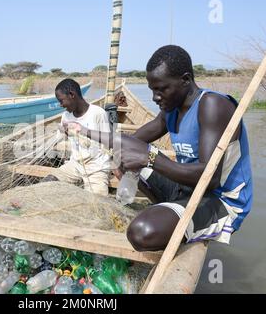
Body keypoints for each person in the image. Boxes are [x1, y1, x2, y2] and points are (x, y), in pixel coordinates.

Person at [66, 45, 253, 251]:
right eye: (152, 90)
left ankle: (169, 219)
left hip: (219, 200)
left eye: (162, 89)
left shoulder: (212, 105)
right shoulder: (171, 109)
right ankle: (168, 212)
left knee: (141, 232)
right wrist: (83, 130)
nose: (155, 97)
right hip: (186, 188)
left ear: (185, 80)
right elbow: (132, 141)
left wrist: (149, 158)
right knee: (127, 156)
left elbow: (210, 178)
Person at [43, 79, 112, 196]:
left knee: (95, 202)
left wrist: (83, 130)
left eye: (61, 101)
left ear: (72, 95)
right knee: (48, 182)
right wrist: (64, 131)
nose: (61, 105)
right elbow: (63, 136)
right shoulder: (66, 116)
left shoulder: (97, 113)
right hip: (75, 165)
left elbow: (108, 140)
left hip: (96, 167)